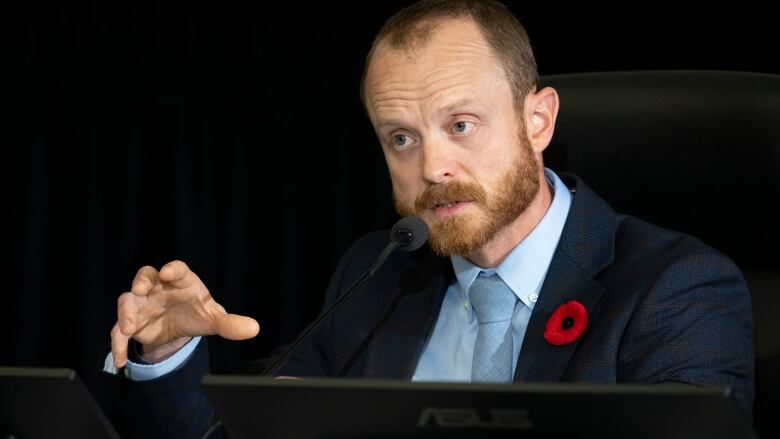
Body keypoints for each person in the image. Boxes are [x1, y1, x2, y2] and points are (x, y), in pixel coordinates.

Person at [102, 0, 755, 437]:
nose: (432, 166)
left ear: (539, 120)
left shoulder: (677, 286)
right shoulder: (377, 275)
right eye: (401, 139)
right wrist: (167, 353)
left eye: (460, 124)